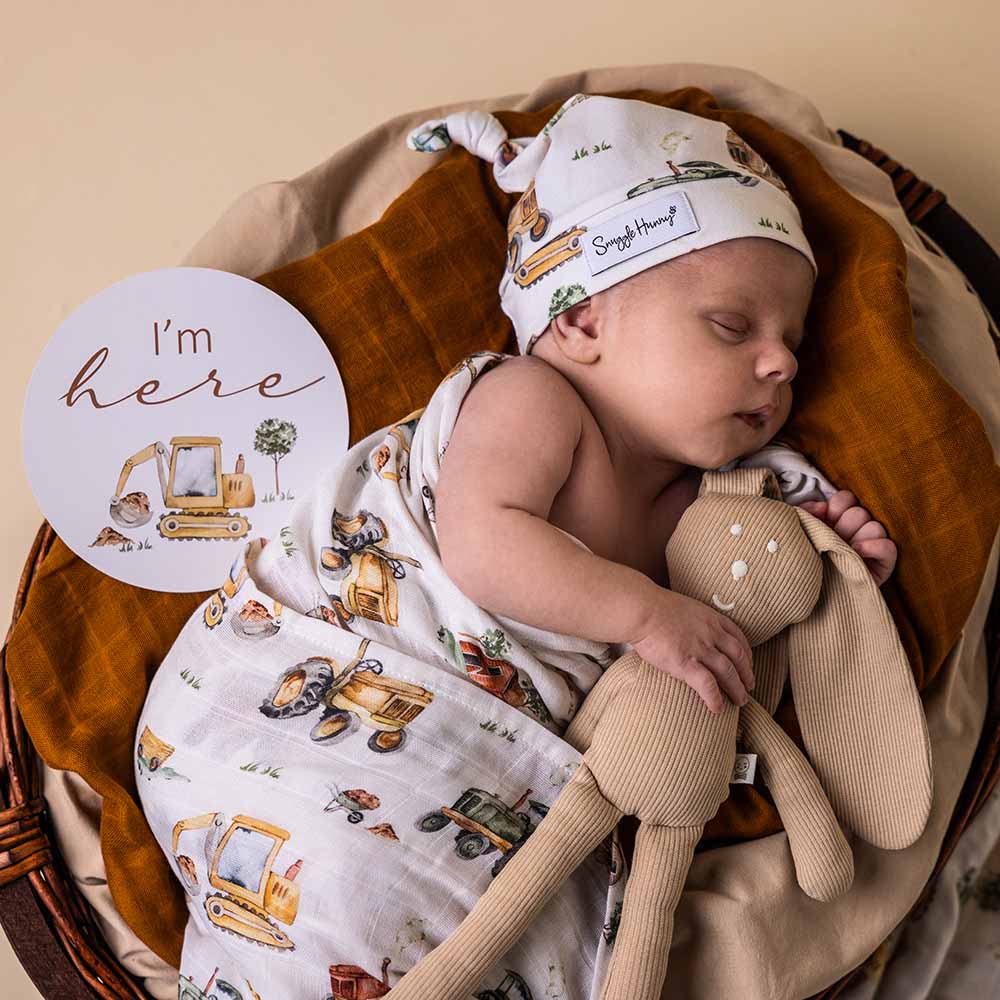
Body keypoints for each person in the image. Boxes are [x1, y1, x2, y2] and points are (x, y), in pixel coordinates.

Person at [408, 93, 898, 717]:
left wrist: (828, 564)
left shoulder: (697, 501)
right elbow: (482, 547)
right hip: (357, 657)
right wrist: (645, 614)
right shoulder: (531, 397)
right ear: (581, 321)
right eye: (732, 326)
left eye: (793, 343)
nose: (784, 363)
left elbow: (726, 630)